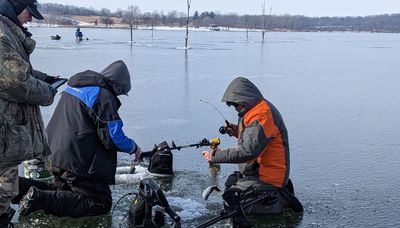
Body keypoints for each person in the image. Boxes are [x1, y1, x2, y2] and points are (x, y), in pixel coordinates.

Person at [12, 60, 142, 218]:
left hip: (52, 152)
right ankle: (39, 199)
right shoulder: (103, 95)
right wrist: (133, 147)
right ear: (117, 86)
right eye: (120, 93)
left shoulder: (76, 86)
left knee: (64, 192)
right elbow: (113, 136)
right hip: (75, 159)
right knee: (100, 203)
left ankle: (13, 187)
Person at [202, 77, 302, 215]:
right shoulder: (256, 109)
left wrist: (214, 155)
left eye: (236, 105)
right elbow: (258, 138)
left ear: (245, 99)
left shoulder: (262, 115)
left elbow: (248, 152)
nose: (235, 108)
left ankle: (277, 200)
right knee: (231, 185)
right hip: (258, 173)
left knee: (232, 202)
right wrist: (237, 131)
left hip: (268, 178)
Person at [0, 0, 57, 226]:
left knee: (7, 184)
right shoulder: (2, 35)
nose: (30, 19)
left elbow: (16, 70)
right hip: (4, 133)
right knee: (4, 187)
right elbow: (16, 82)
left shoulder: (7, 32)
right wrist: (48, 91)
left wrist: (44, 79)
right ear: (14, 9)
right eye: (28, 13)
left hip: (6, 131)